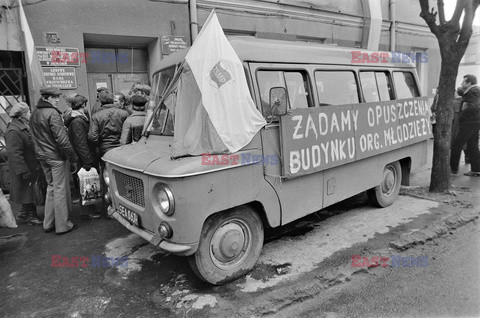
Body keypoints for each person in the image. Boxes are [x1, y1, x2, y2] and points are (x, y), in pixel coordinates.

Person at [30, 87, 79, 234]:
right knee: (59, 190)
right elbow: (62, 140)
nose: (57, 100)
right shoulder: (53, 113)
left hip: (42, 156)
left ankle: (48, 223)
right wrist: (73, 157)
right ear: (46, 98)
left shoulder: (34, 113)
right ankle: (63, 225)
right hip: (55, 157)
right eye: (54, 97)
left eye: (58, 97)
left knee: (51, 188)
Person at [4, 102, 42, 225]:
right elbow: (15, 154)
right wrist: (23, 171)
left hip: (28, 166)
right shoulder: (14, 131)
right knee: (27, 192)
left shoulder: (21, 126)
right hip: (23, 168)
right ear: (22, 115)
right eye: (28, 112)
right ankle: (29, 215)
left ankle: (25, 213)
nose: (30, 114)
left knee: (29, 191)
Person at [450, 74, 480, 176]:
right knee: (473, 146)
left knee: (456, 146)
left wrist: (462, 116)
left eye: (463, 82)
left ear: (469, 83)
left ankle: (452, 169)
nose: (462, 83)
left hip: (468, 122)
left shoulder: (473, 92)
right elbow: (464, 95)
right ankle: (476, 169)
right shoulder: (474, 90)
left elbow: (472, 107)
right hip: (474, 122)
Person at [88, 92, 129, 157]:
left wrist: (99, 144)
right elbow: (128, 131)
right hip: (122, 146)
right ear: (113, 101)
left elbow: (93, 136)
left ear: (101, 103)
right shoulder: (124, 113)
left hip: (104, 147)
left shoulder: (96, 116)